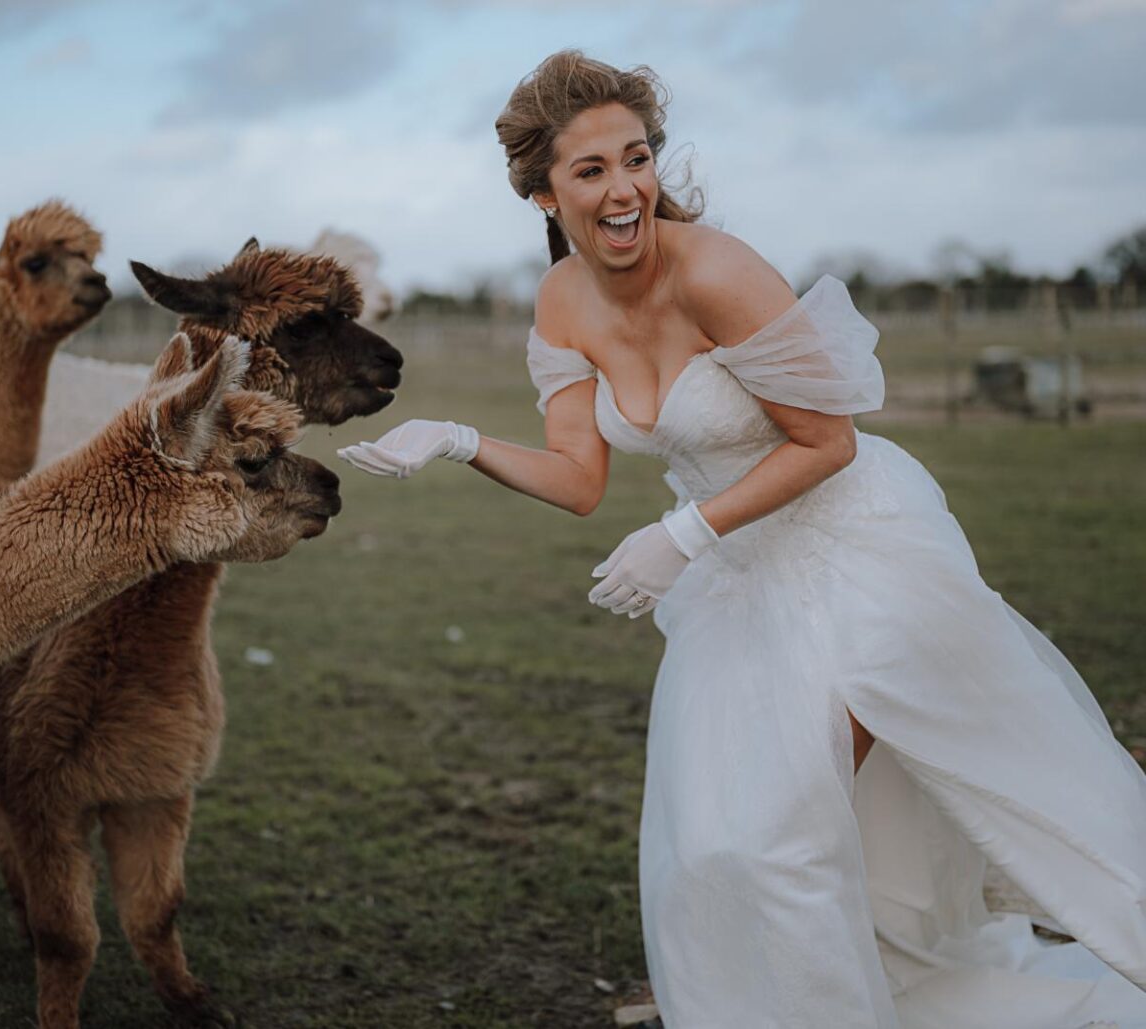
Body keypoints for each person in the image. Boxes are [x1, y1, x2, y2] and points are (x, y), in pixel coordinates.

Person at [337, 49, 1146, 1028]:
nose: (626, 187)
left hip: (856, 554)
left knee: (798, 836)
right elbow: (580, 480)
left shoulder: (716, 271)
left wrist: (683, 530)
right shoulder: (560, 306)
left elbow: (829, 443)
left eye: (636, 158)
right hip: (738, 579)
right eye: (591, 171)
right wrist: (457, 440)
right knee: (709, 852)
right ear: (543, 192)